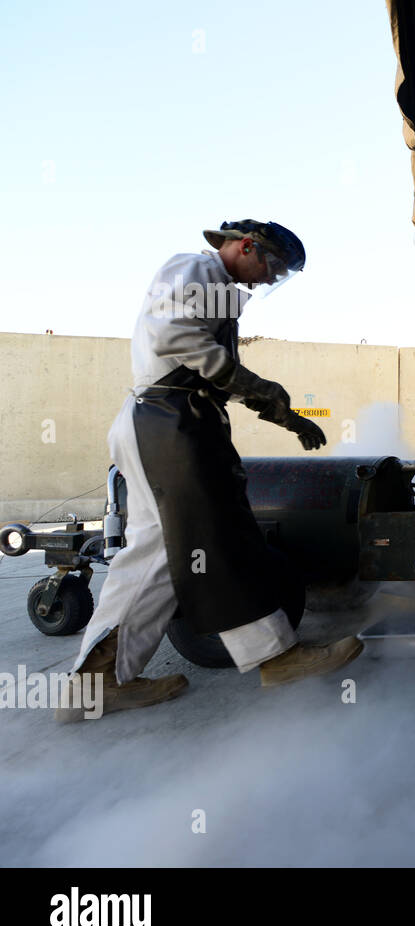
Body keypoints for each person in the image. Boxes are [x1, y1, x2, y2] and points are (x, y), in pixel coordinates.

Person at [56, 220, 363, 723]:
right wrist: (254, 383)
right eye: (272, 267)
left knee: (155, 557)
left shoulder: (217, 290)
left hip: (168, 420)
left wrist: (281, 410)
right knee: (219, 535)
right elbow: (177, 339)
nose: (268, 280)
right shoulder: (198, 268)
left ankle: (95, 683)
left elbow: (213, 366)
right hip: (172, 423)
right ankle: (276, 656)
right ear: (247, 246)